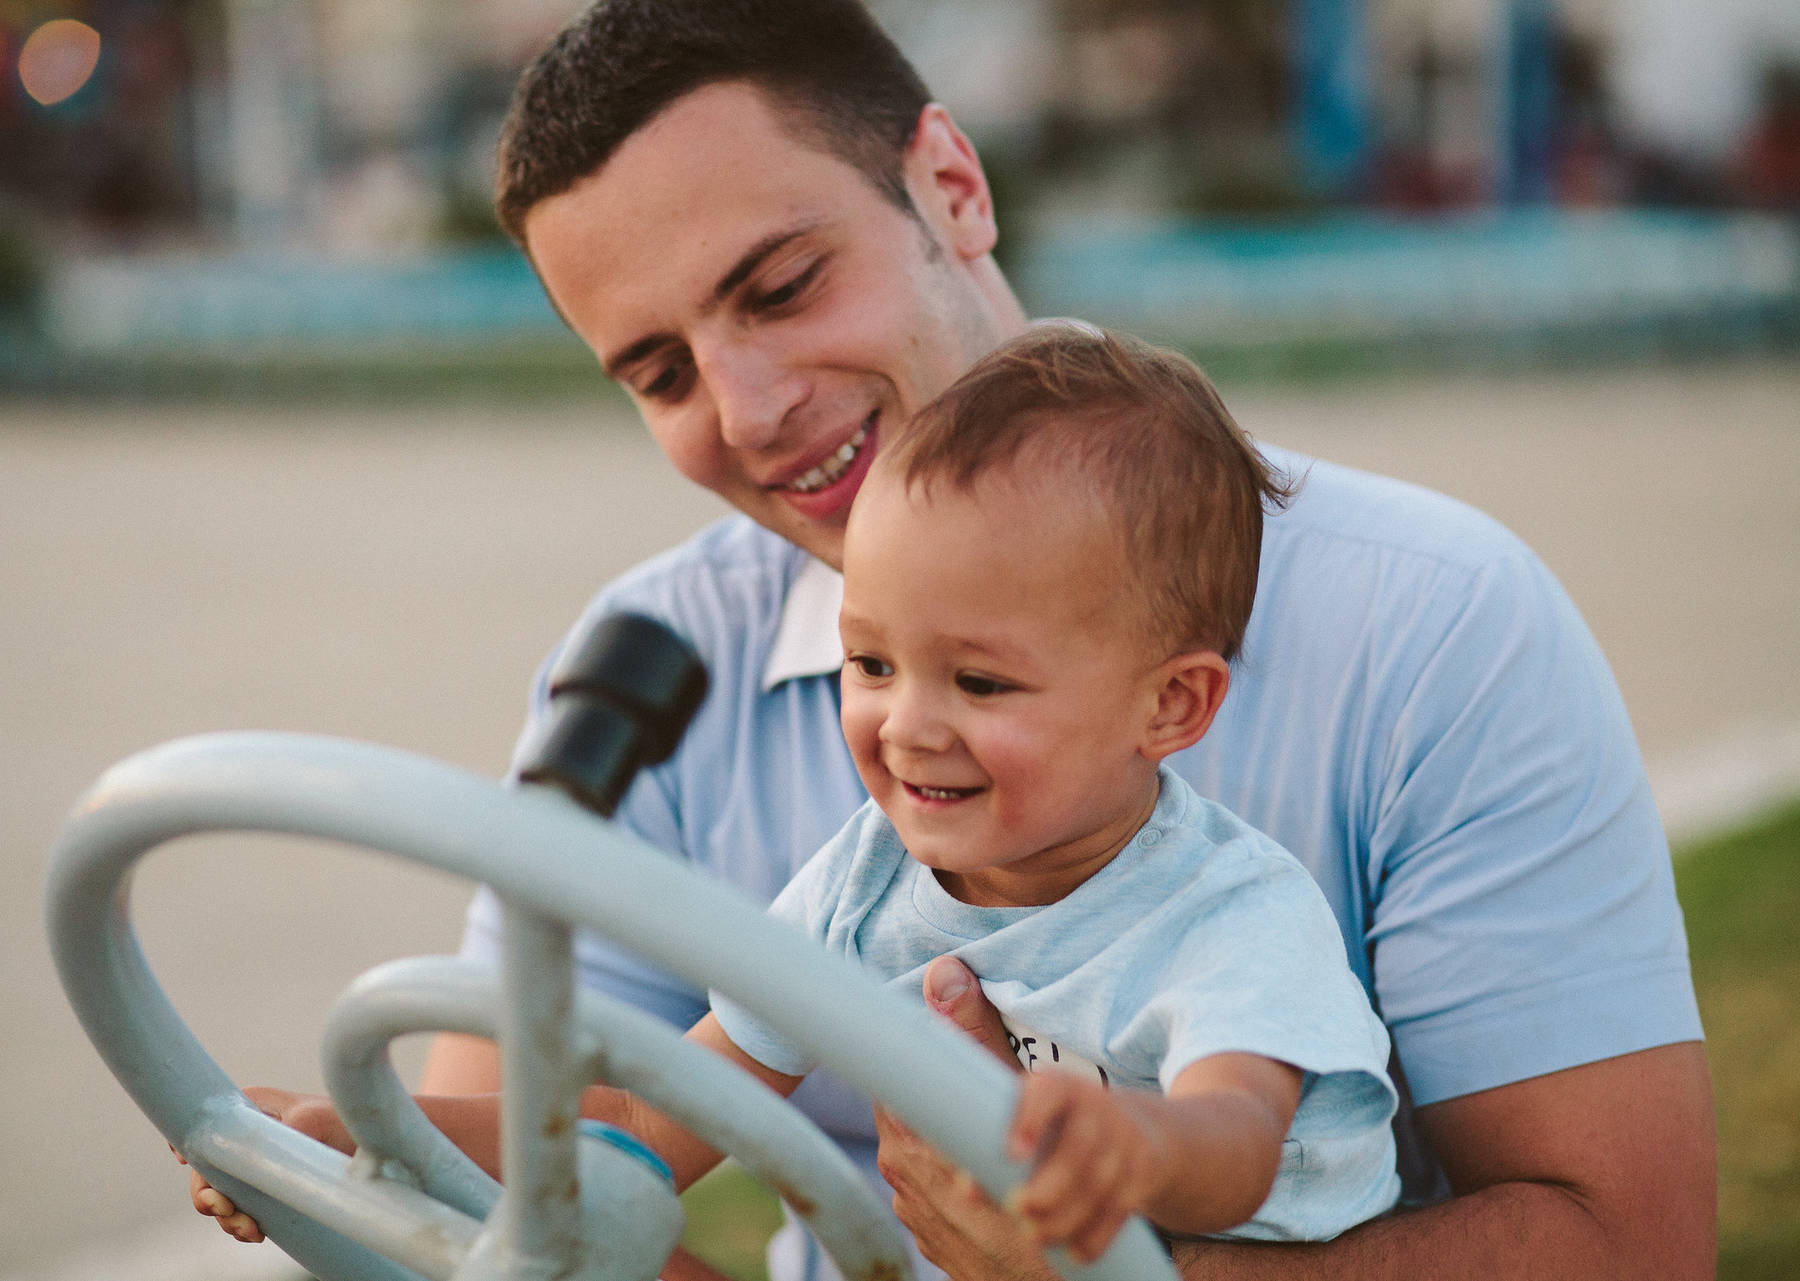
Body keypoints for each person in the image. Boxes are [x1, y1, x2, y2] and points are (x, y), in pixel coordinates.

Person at [208, 2, 1716, 1278]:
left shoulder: (1434, 624)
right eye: (660, 371)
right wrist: (380, 1146)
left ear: (951, 184)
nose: (748, 410)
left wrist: (1114, 1261)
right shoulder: (650, 676)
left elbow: (1631, 1236)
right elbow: (577, 1178)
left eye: (783, 285)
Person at [192, 326, 1406, 1261]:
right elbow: (652, 1121)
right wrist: (374, 1138)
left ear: (1173, 708)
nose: (905, 723)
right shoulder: (867, 880)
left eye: (979, 680)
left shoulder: (1233, 916)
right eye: (870, 663)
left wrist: (1128, 1149)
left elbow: (1239, 1145)